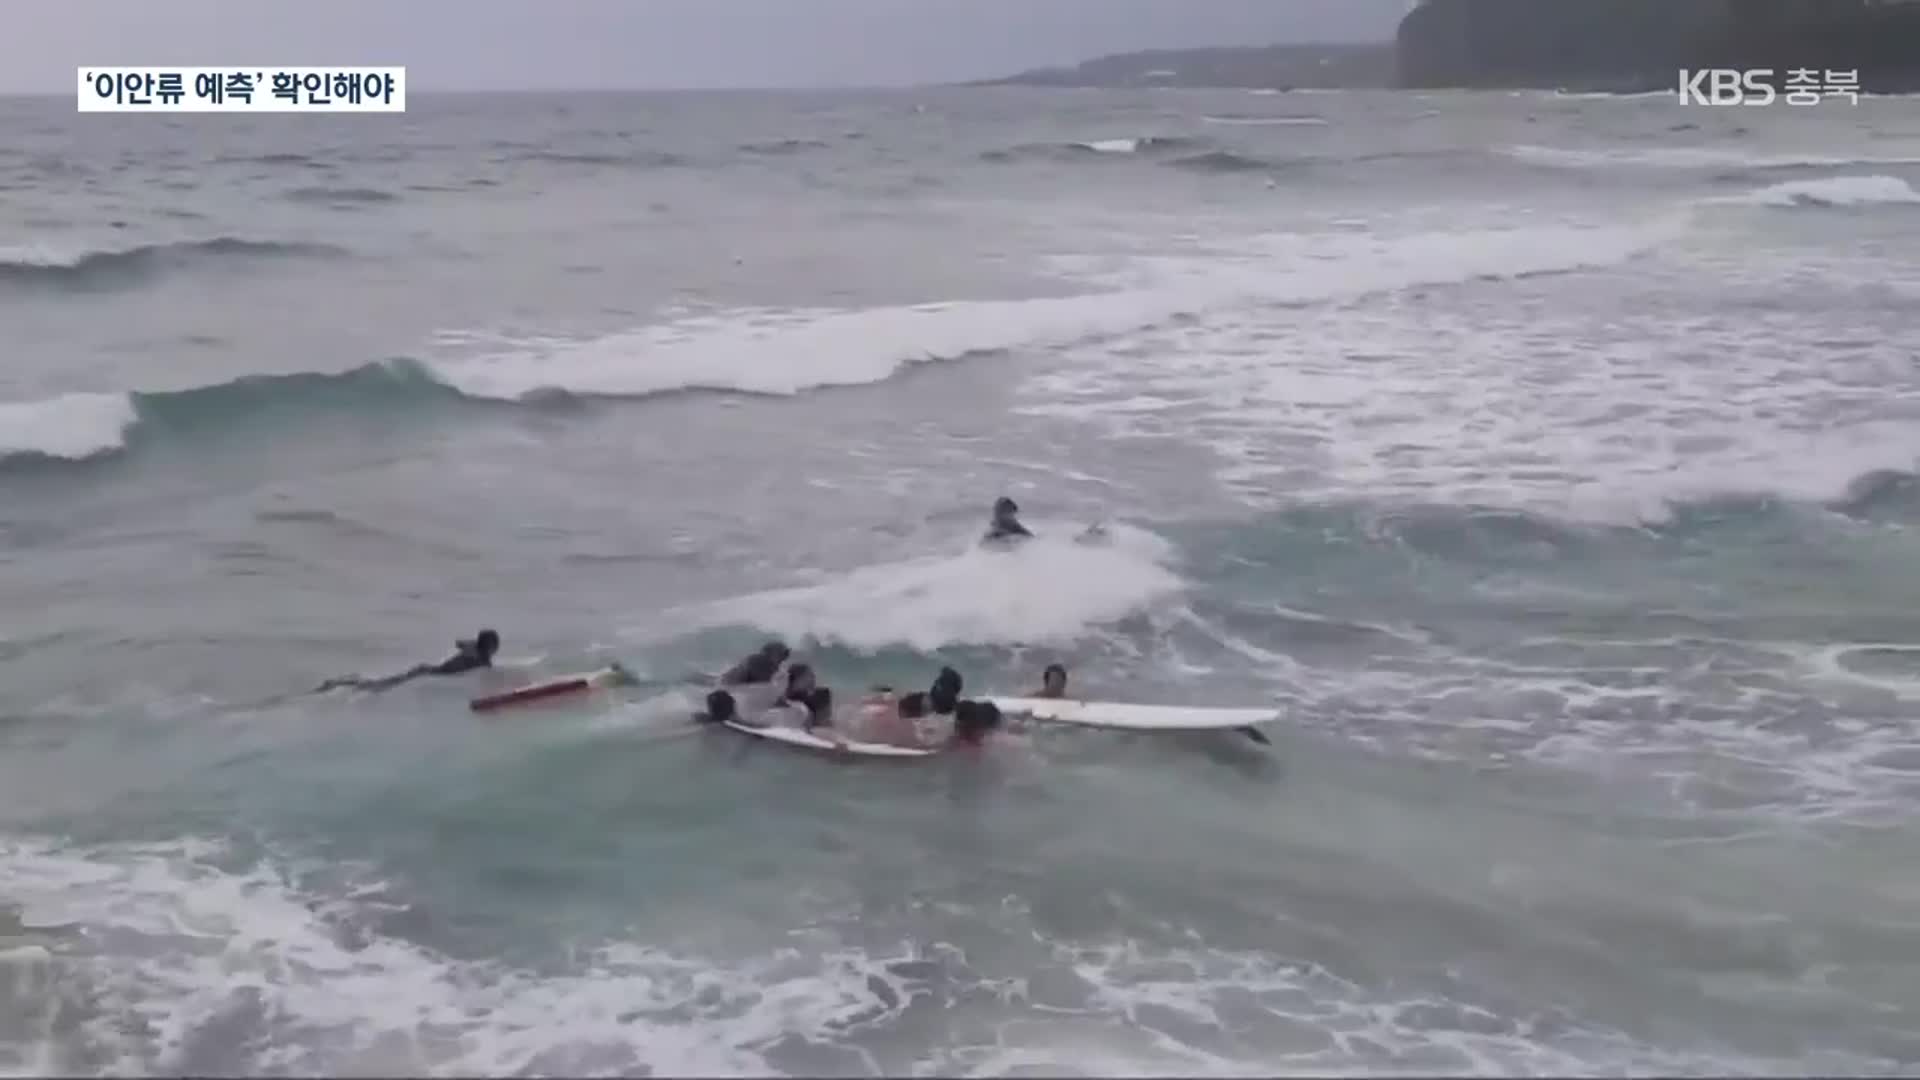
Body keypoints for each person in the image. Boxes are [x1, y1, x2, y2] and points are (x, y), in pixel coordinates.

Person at [316, 628, 500, 692]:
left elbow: (459, 643)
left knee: (380, 684)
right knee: (376, 687)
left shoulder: (473, 650)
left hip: (424, 670)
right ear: (491, 647)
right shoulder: (479, 660)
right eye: (495, 645)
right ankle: (339, 683)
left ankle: (345, 681)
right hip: (425, 675)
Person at [720, 641, 790, 687]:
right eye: (781, 654)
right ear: (771, 653)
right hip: (727, 684)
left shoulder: (769, 665)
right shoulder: (758, 662)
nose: (784, 658)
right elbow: (764, 686)